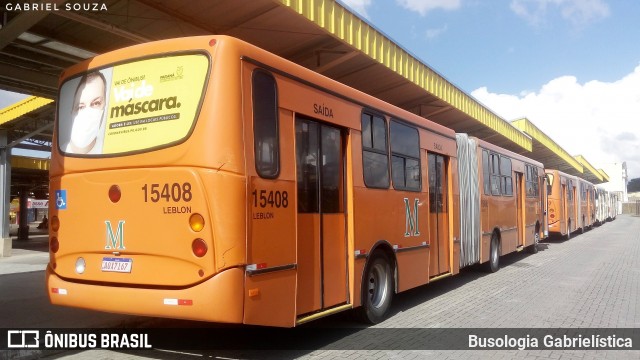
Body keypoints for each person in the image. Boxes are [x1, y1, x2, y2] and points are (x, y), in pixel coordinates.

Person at [66, 71, 107, 154]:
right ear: (72, 112)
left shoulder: (111, 152)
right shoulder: (60, 155)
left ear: (105, 106)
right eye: (81, 107)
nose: (88, 113)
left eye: (96, 103)